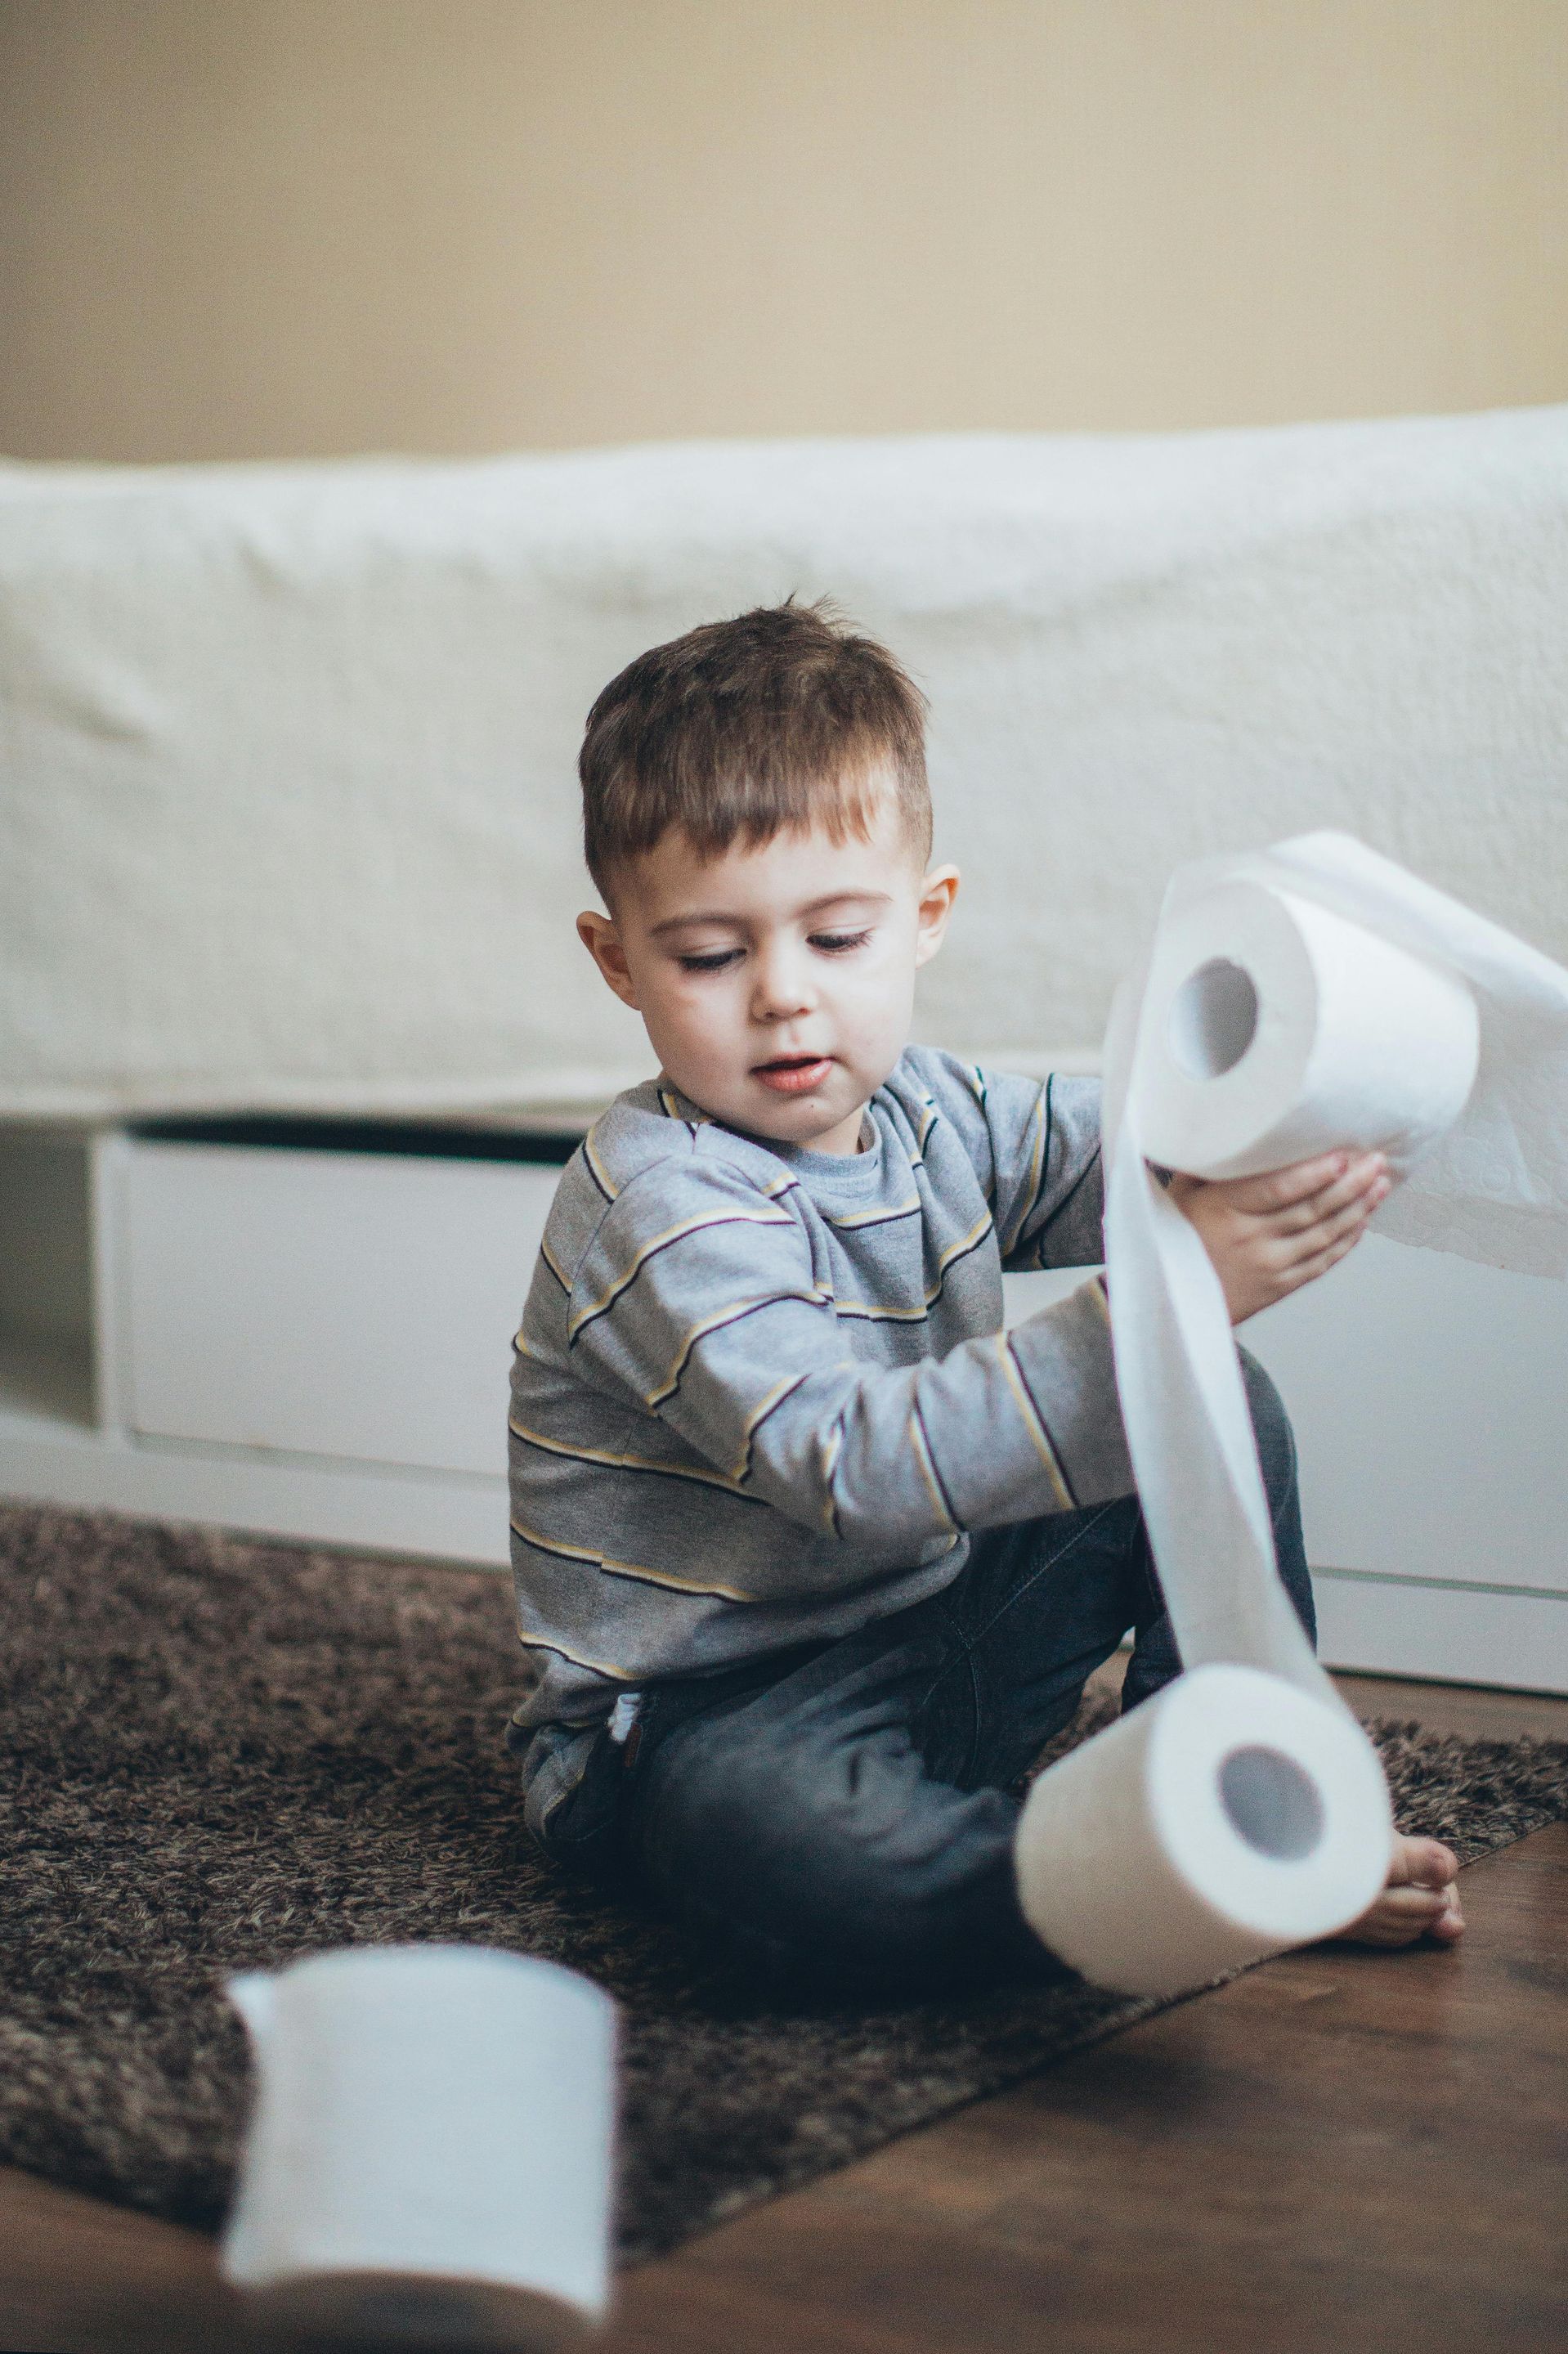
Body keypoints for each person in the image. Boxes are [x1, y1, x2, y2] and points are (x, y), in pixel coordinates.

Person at [505, 599, 1462, 1995]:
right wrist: (1176, 1288)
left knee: (1214, 1401)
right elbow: (850, 1465)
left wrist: (1284, 1108)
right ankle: (1140, 1886)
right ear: (619, 962)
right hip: (706, 1725)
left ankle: (1242, 1802)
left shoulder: (930, 1109)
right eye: (710, 957)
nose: (782, 997)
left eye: (836, 938)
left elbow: (1126, 1145)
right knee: (775, 1843)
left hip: (940, 1633)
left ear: (925, 919)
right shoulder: (660, 1202)